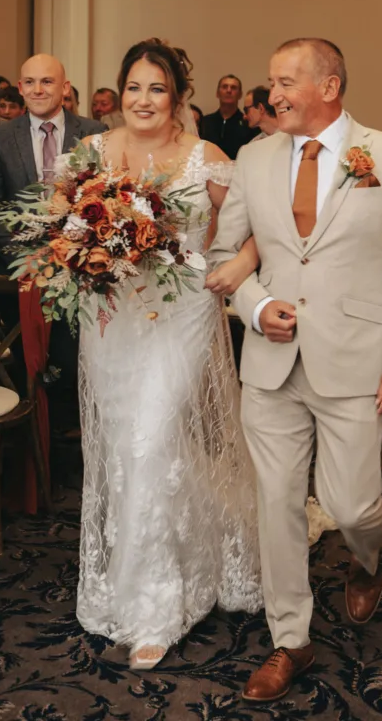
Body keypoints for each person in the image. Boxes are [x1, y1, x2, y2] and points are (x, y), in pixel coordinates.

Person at [208, 37, 382, 702]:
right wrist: (255, 309)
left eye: (285, 82)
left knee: (351, 504)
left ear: (329, 86)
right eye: (270, 82)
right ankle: (290, 641)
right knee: (275, 505)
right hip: (272, 366)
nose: (271, 93)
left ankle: (366, 560)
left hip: (357, 360)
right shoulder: (253, 157)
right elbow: (228, 255)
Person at [75, 38, 262, 670]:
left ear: (178, 98)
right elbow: (61, 222)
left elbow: (259, 225)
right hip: (112, 320)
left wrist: (235, 263)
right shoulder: (92, 152)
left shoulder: (203, 157)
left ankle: (153, 607)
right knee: (129, 444)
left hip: (181, 312)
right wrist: (78, 249)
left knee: (151, 441)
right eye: (133, 87)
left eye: (156, 88)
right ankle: (188, 550)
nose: (142, 100)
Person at [0, 55, 106, 403]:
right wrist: (27, 256)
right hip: (21, 276)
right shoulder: (1, 137)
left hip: (81, 274)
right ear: (19, 88)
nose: (37, 89)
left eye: (46, 81)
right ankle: (31, 444)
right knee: (28, 374)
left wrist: (75, 251)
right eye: (30, 82)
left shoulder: (94, 133)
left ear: (64, 88)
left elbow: (106, 199)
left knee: (75, 368)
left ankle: (71, 444)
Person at [201, 75, 256, 159]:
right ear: (217, 93)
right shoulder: (205, 122)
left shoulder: (248, 123)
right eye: (224, 87)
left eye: (233, 88)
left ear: (240, 94)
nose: (229, 90)